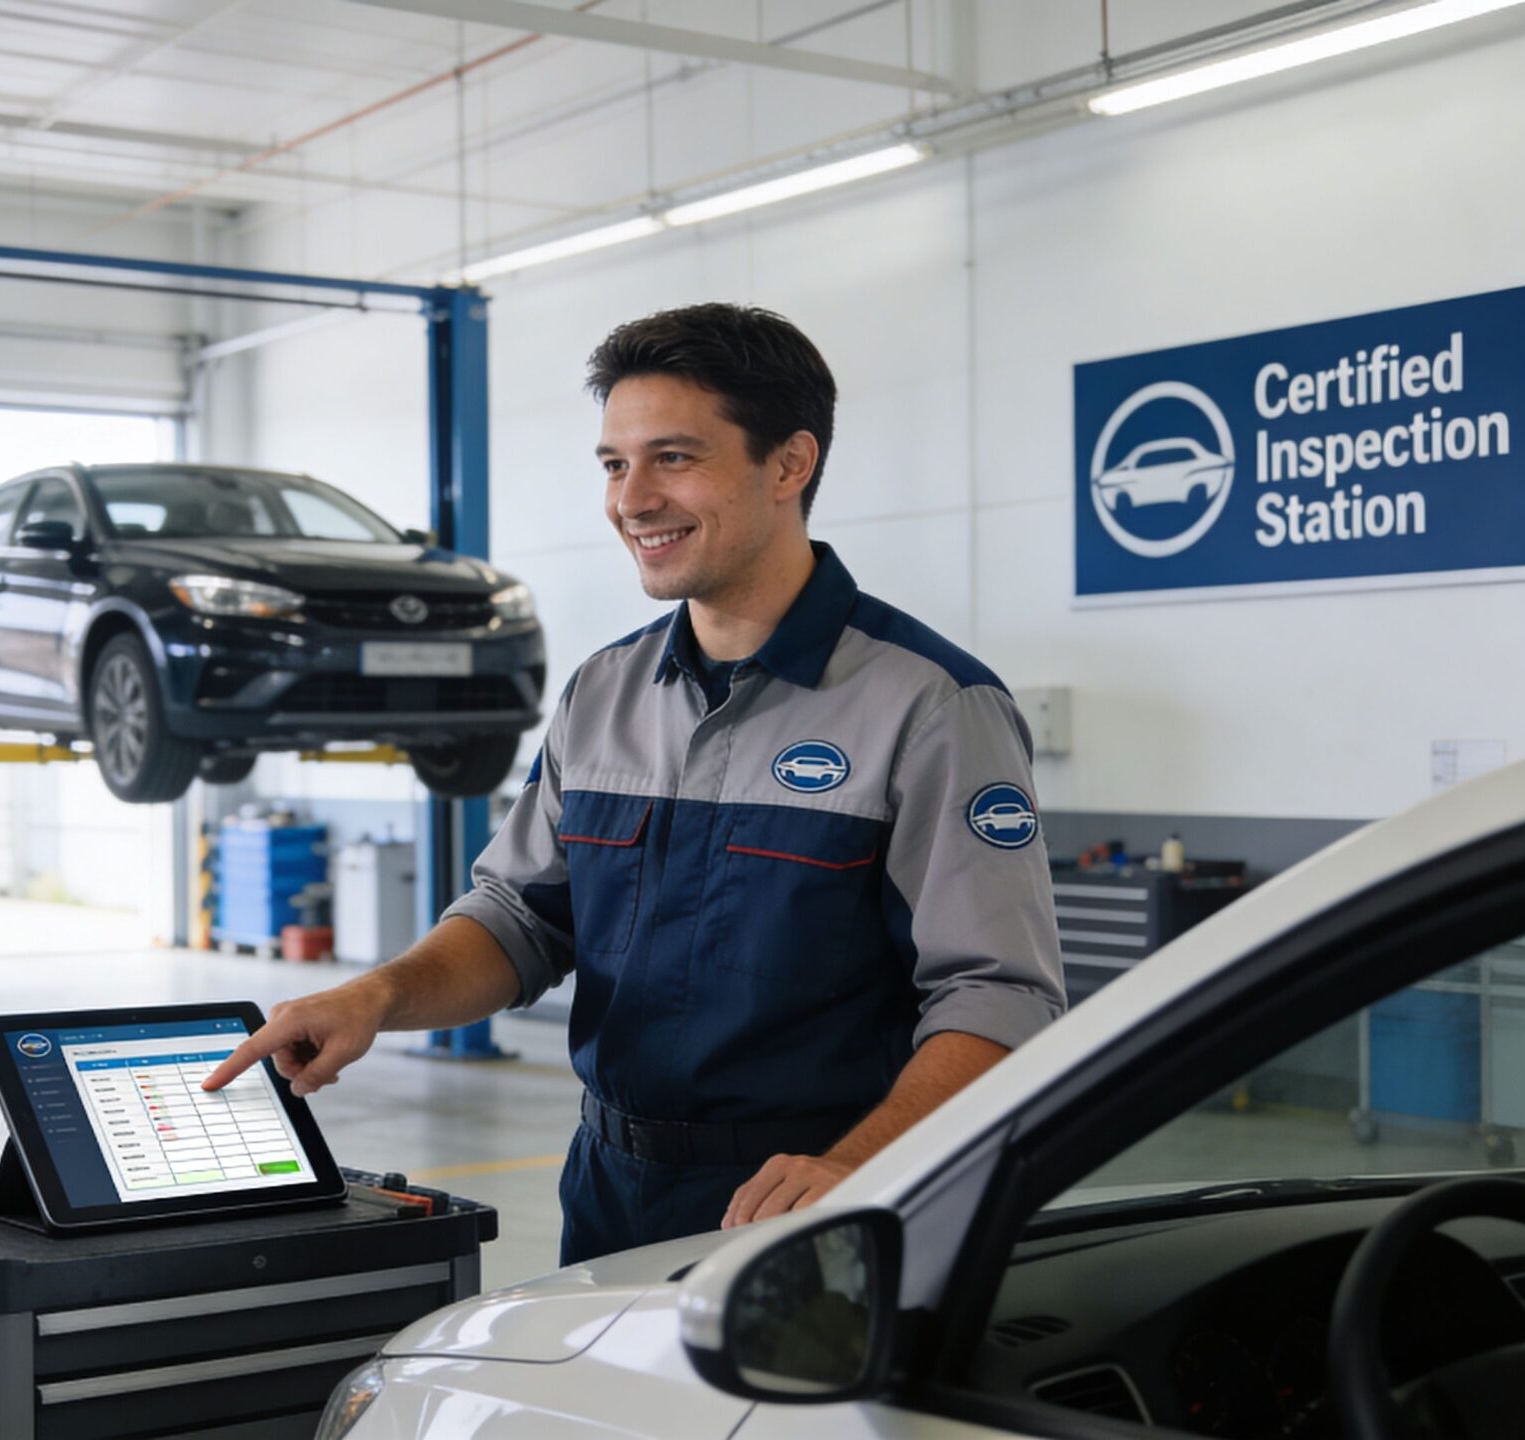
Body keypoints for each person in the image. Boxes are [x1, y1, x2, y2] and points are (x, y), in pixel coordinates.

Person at [207, 304, 1065, 1265]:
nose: (633, 499)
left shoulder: (932, 706)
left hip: (818, 1204)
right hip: (611, 1191)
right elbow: (521, 920)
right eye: (615, 464)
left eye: (675, 458)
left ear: (790, 465)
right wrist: (377, 996)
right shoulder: (602, 693)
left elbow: (1001, 997)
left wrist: (854, 1165)